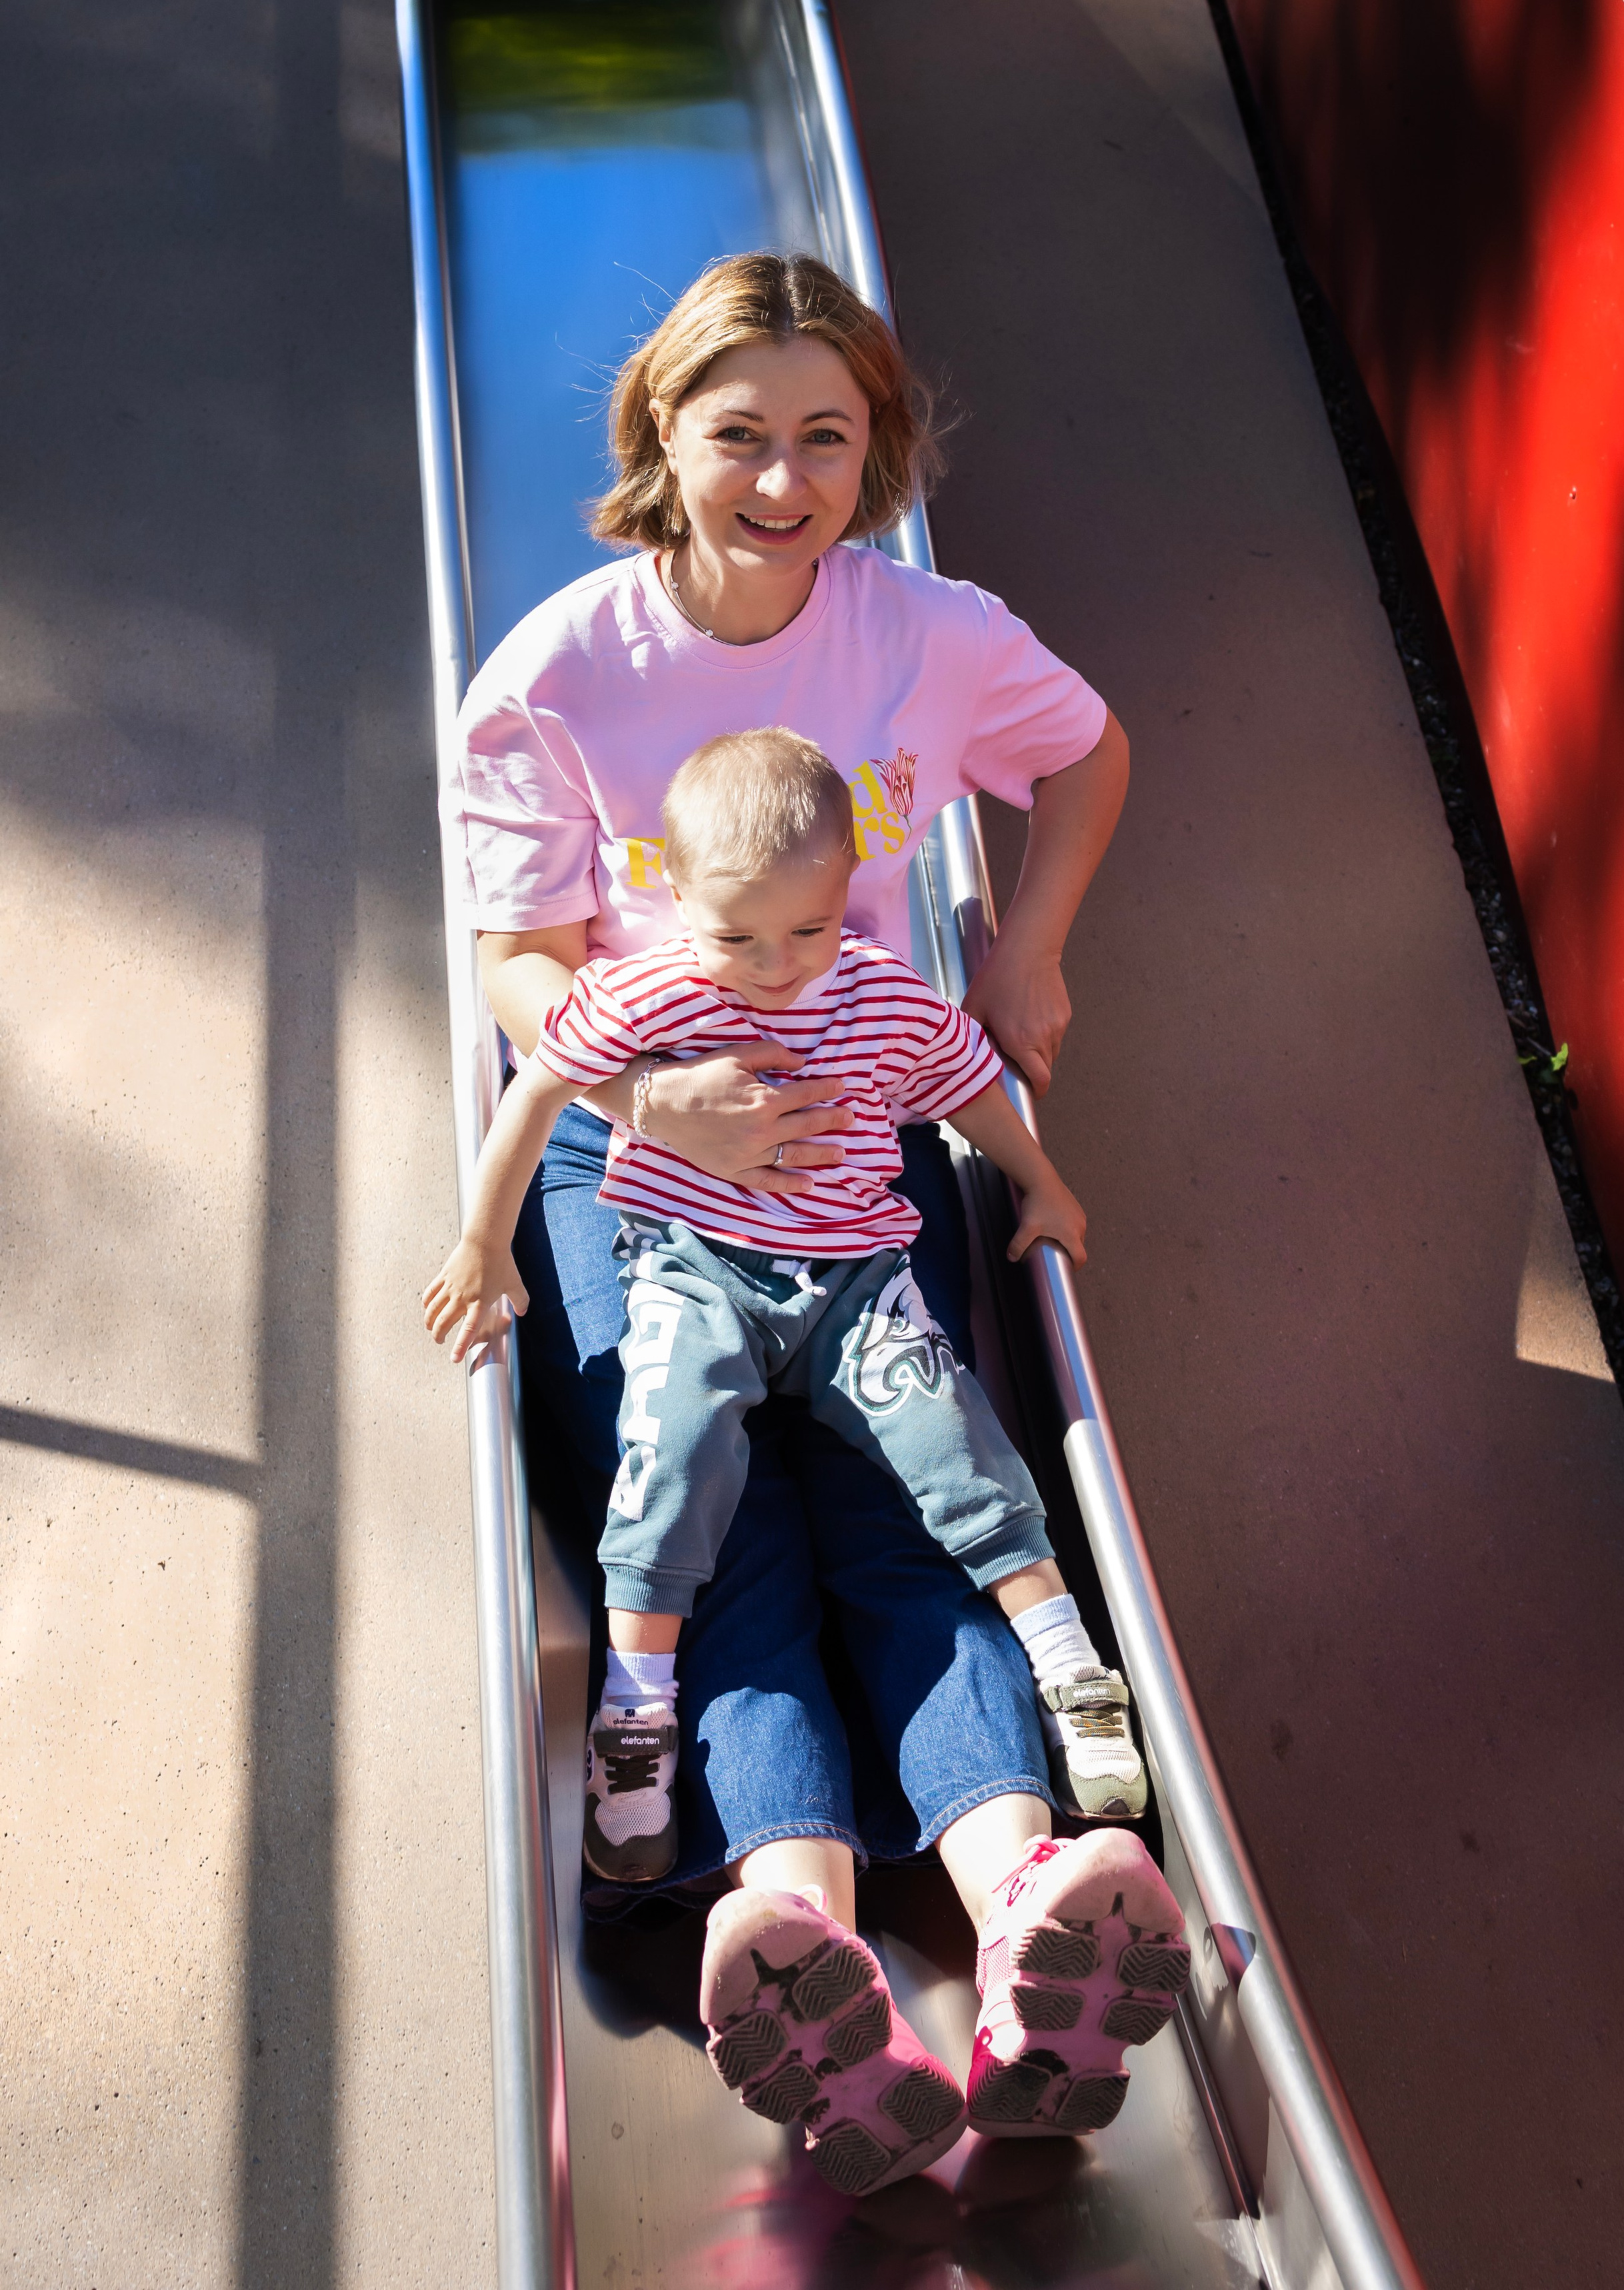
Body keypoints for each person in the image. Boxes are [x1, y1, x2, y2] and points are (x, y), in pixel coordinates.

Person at [445, 250, 1186, 2195]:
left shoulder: (922, 633)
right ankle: (788, 1913)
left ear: (879, 448)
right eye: (739, 436)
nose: (783, 479)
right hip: (647, 1156)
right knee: (715, 1525)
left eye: (827, 440)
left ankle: (1027, 1897)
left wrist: (1027, 953)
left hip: (859, 1150)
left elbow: (1091, 750)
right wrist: (636, 1092)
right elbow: (523, 958)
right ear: (660, 441)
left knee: (909, 1497)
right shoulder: (555, 673)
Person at [425, 726, 1149, 1884]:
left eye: (808, 928)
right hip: (693, 1274)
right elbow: (536, 1096)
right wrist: (481, 1242)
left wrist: (1041, 1179)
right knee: (668, 1452)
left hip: (853, 1281)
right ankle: (639, 1709)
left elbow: (967, 1090)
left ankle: (1070, 1666)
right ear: (673, 893)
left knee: (955, 1444)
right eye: (738, 936)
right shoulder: (641, 992)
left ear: (848, 889)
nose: (775, 963)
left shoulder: (874, 991)